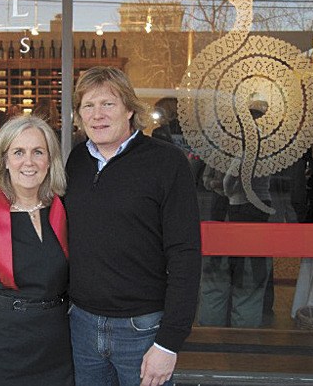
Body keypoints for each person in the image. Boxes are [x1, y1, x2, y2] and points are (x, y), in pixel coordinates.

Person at [64, 66, 201, 386]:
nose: (97, 114)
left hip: (142, 331)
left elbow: (185, 253)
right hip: (81, 326)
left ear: (129, 109)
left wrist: (169, 342)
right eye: (88, 106)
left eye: (107, 104)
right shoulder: (76, 162)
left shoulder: (167, 163)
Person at [0, 116, 73, 386]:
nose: (28, 162)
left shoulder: (65, 212)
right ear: (4, 160)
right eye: (18, 152)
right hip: (5, 350)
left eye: (38, 152)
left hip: (60, 349)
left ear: (50, 160)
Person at [199, 101, 274, 328]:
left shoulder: (222, 149)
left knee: (214, 285)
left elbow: (208, 181)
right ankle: (244, 351)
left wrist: (221, 188)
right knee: (248, 287)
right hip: (254, 218)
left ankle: (210, 350)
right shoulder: (270, 151)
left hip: (220, 217)